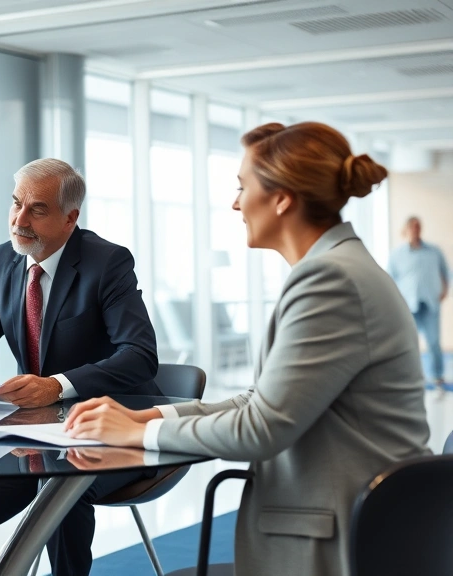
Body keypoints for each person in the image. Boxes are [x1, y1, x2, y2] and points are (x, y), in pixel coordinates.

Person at [66, 122, 431, 576]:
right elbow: (263, 400)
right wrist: (150, 417)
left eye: (243, 187)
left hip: (340, 538)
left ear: (282, 199)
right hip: (355, 522)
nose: (235, 202)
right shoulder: (334, 269)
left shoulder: (330, 281)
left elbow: (262, 428)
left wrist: (136, 435)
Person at [0, 158, 159, 576]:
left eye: (37, 209)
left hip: (111, 428)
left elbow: (139, 355)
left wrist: (58, 385)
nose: (19, 219)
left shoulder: (107, 262)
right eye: (16, 204)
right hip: (35, 439)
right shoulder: (4, 261)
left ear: (70, 218)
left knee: (61, 491)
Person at [389, 216, 450, 388]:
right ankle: (413, 377)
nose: (415, 230)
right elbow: (390, 279)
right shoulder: (397, 255)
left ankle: (438, 378)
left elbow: (446, 273)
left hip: (430, 303)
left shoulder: (434, 251)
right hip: (409, 305)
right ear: (406, 229)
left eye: (418, 227)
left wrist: (444, 291)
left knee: (433, 343)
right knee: (409, 342)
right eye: (412, 227)